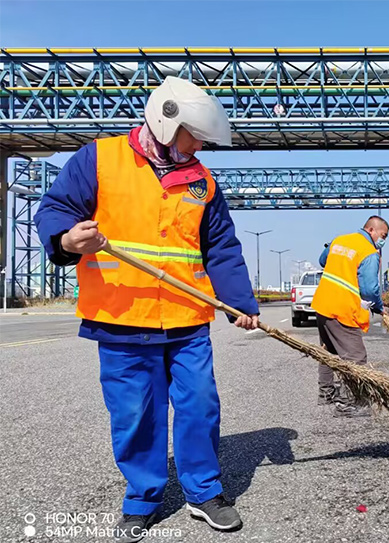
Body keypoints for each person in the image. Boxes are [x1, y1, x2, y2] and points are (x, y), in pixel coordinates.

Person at [35, 76, 259, 543]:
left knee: (200, 405)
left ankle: (204, 493)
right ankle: (142, 498)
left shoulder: (201, 181)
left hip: (186, 320)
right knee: (135, 414)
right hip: (120, 318)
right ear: (165, 122)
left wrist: (240, 302)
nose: (199, 146)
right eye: (194, 135)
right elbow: (56, 209)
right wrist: (66, 239)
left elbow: (220, 246)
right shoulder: (99, 159)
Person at [311, 216, 389, 417]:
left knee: (328, 351)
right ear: (371, 230)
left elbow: (322, 261)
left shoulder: (339, 240)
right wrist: (379, 307)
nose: (383, 240)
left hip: (323, 303)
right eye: (383, 236)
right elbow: (370, 289)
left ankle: (326, 394)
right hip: (343, 308)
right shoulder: (369, 252)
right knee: (355, 356)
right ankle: (350, 402)